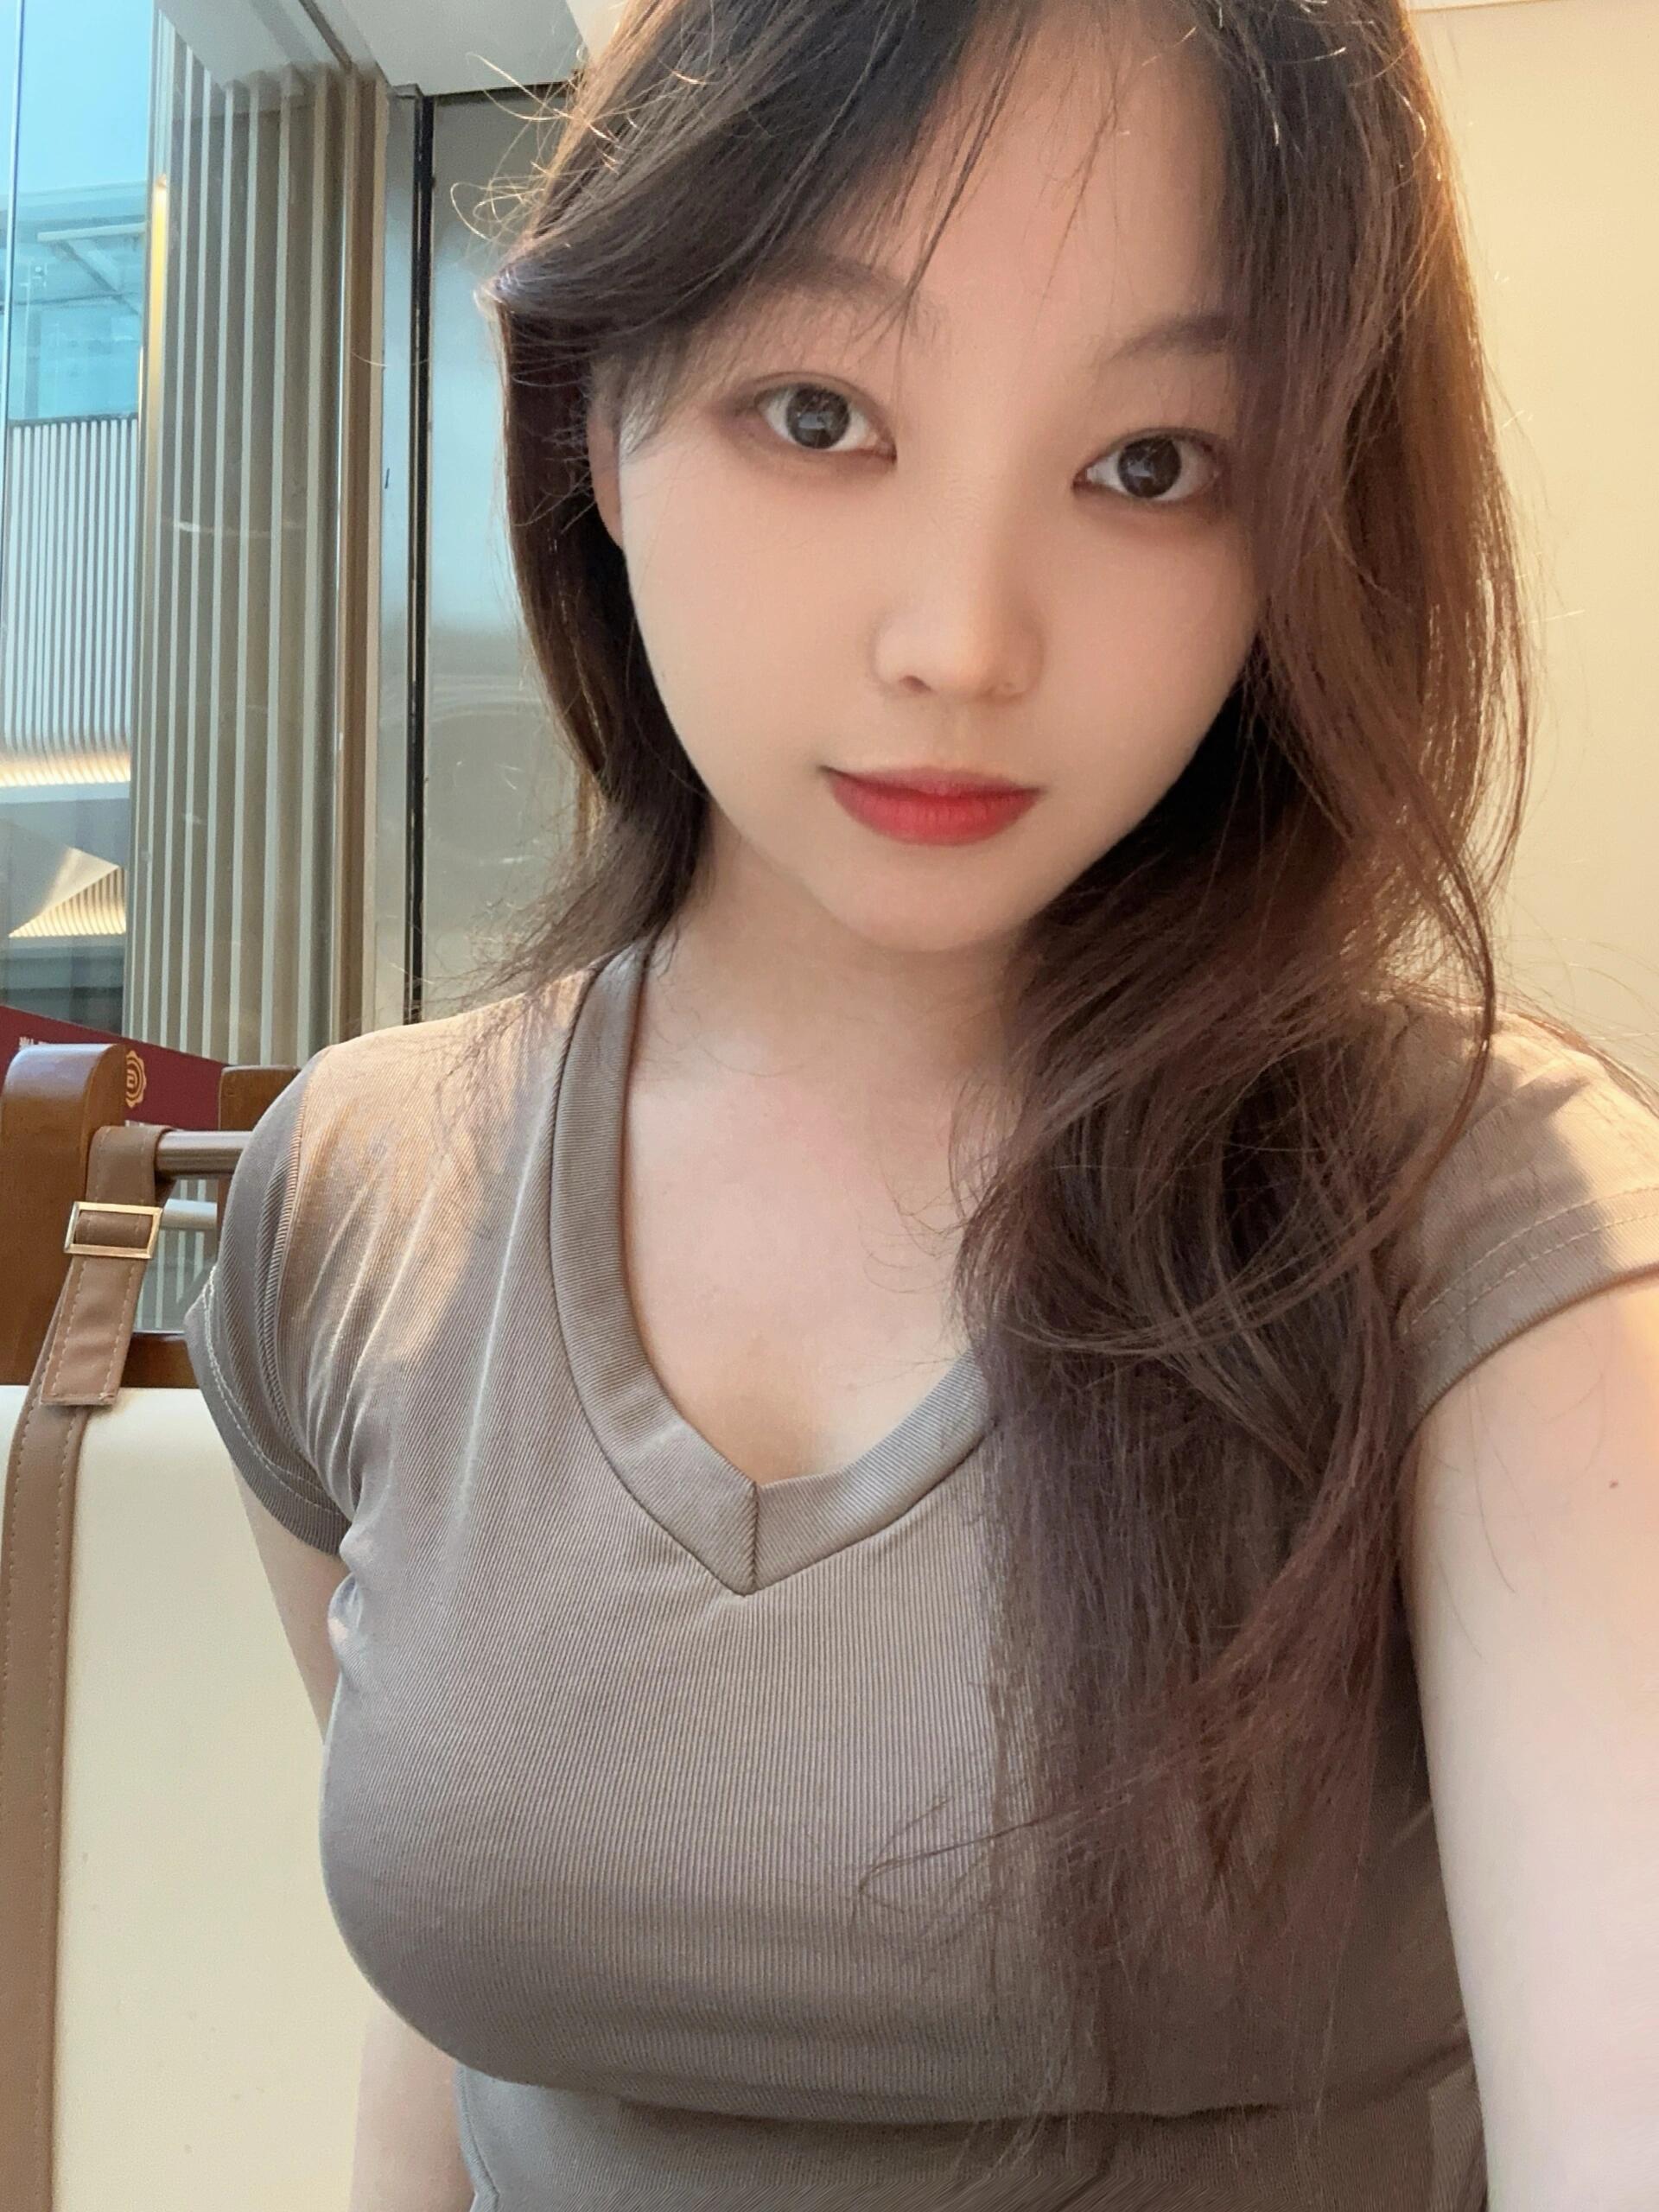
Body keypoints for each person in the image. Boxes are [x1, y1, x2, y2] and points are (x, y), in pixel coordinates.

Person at [182, 0, 1659, 2205]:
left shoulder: (1483, 1228)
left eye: (1151, 464)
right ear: (599, 420)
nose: (966, 641)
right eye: (820, 412)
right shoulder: (356, 1190)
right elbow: (470, 2029)